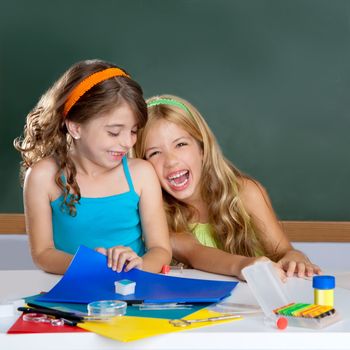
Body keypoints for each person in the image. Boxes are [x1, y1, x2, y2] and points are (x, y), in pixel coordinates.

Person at [135, 94, 320, 281]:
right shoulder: (158, 216)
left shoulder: (246, 192)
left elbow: (284, 251)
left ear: (202, 148)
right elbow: (195, 253)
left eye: (181, 144)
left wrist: (295, 257)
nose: (171, 161)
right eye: (155, 153)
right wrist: (243, 266)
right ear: (142, 165)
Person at [14, 60, 171, 275]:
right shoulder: (42, 177)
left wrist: (141, 265)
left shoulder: (141, 174)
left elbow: (160, 249)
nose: (127, 142)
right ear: (76, 127)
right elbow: (43, 253)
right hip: (71, 292)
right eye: (114, 132)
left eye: (133, 131)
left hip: (133, 288)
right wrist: (90, 265)